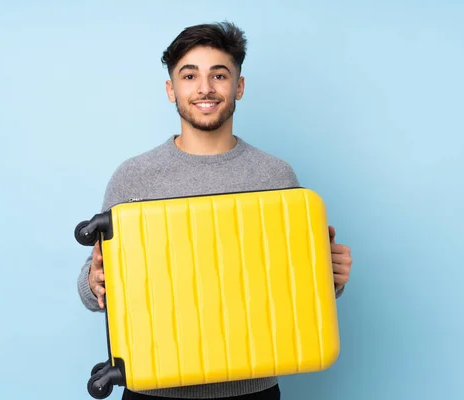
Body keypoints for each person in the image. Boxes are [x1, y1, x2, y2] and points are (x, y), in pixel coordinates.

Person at [77, 21, 353, 400]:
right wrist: (92, 284)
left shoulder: (274, 175)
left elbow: (287, 284)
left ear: (238, 86)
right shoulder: (134, 177)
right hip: (154, 391)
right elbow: (98, 284)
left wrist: (331, 278)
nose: (205, 88)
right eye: (189, 76)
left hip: (253, 391)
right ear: (171, 89)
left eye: (219, 75)